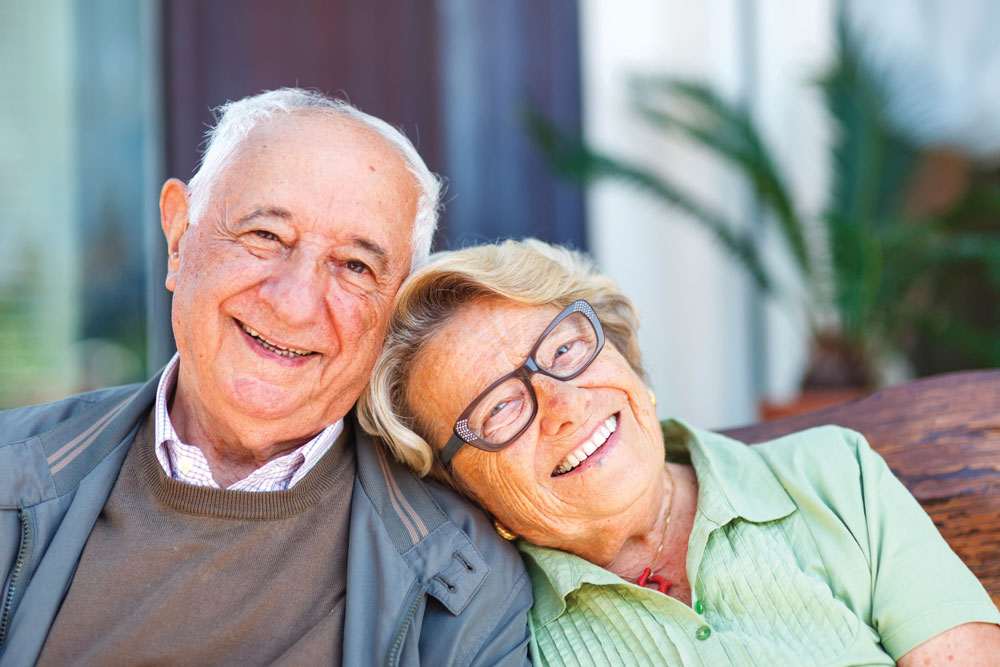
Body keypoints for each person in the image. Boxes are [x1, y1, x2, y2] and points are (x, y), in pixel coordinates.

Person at [0, 89, 531, 666]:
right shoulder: (10, 472)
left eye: (355, 266)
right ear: (180, 238)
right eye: (266, 236)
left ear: (392, 311)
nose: (295, 303)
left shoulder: (464, 583)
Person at [359, 238, 1000, 666]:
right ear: (463, 487)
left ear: (619, 348)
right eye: (499, 409)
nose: (562, 404)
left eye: (561, 349)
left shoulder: (835, 476)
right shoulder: (507, 636)